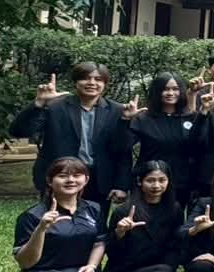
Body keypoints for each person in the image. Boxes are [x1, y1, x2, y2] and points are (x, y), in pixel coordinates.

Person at [10, 157, 120, 272]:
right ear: (49, 181)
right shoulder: (33, 216)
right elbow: (25, 262)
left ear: (86, 179)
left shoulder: (93, 209)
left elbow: (99, 242)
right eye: (62, 176)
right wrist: (42, 229)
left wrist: (92, 266)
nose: (71, 180)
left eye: (77, 175)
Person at [12, 61, 133, 207]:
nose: (92, 83)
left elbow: (123, 151)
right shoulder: (55, 107)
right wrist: (38, 104)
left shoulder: (118, 111)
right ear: (76, 82)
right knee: (56, 225)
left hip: (99, 181)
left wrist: (121, 185)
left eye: (98, 79)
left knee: (96, 226)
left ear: (105, 84)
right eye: (86, 78)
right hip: (60, 178)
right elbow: (19, 131)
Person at [99, 161, 193, 272]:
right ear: (139, 181)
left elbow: (175, 246)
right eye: (150, 180)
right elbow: (112, 253)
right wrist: (119, 233)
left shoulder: (174, 209)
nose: (156, 185)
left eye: (162, 180)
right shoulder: (124, 211)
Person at [129, 72, 199, 205]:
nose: (170, 93)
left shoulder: (190, 117)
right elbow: (123, 146)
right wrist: (126, 120)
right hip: (149, 181)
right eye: (165, 89)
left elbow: (198, 146)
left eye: (175, 89)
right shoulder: (143, 118)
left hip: (182, 182)